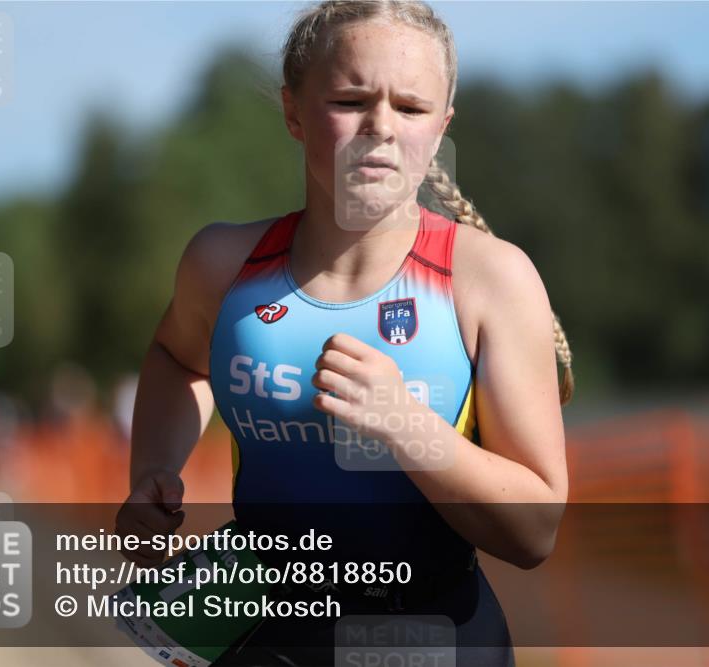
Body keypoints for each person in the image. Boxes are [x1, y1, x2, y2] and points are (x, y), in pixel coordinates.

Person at [116, 1, 571, 664]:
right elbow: (175, 355)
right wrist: (153, 470)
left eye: (411, 108)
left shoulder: (490, 278)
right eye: (350, 99)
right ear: (294, 111)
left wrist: (405, 425)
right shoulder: (222, 264)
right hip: (262, 628)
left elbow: (535, 530)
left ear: (442, 125)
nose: (380, 128)